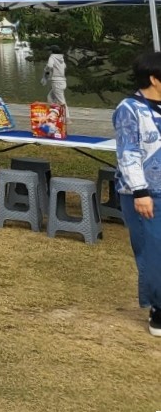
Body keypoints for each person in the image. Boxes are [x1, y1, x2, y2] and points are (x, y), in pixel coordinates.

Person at [111, 52, 161, 337]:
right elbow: (128, 153)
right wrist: (141, 192)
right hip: (144, 193)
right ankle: (158, 311)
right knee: (154, 251)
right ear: (154, 79)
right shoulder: (129, 109)